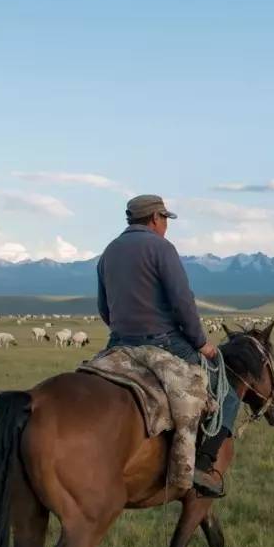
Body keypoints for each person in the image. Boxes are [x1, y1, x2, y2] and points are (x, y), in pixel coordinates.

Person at [96, 194, 238, 497]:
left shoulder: (109, 252)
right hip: (163, 342)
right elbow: (182, 302)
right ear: (154, 219)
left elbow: (104, 308)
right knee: (226, 394)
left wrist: (124, 331)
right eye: (164, 220)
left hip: (118, 343)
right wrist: (202, 344)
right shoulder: (161, 248)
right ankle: (201, 467)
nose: (165, 226)